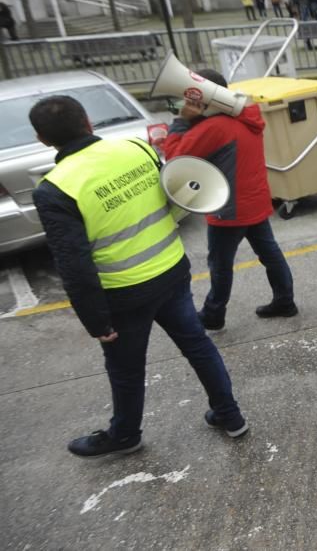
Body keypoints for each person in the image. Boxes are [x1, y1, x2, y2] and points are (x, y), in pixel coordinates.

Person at [29, 96, 248, 457]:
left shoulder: (55, 188)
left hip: (124, 294)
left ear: (42, 139)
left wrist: (95, 321)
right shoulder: (136, 148)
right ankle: (230, 415)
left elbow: (74, 263)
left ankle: (125, 436)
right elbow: (174, 196)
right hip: (171, 270)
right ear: (88, 121)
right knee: (198, 345)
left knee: (126, 369)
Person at [160, 69, 296, 330]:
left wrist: (180, 123)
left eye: (192, 98)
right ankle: (285, 301)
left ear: (205, 99)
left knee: (220, 265)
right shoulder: (248, 114)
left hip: (229, 209)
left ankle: (213, 314)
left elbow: (175, 161)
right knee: (270, 253)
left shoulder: (213, 127)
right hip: (254, 202)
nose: (187, 104)